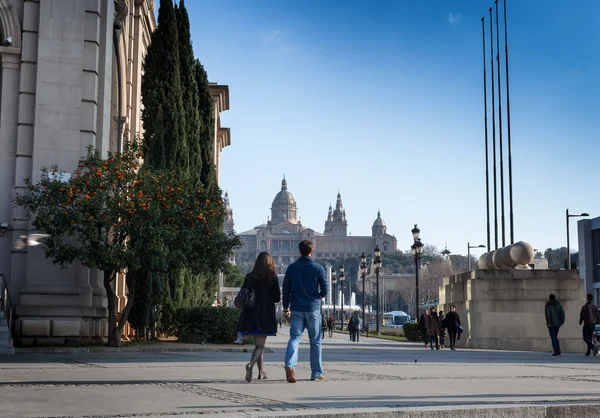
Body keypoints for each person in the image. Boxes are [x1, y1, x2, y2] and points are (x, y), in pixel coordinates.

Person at [282, 240, 328, 383]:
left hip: (296, 307)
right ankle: (316, 372)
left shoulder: (291, 268)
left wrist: (285, 308)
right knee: (315, 341)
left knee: (295, 338)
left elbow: (286, 290)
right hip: (312, 308)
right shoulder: (318, 268)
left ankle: (289, 365)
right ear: (311, 250)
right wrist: (318, 297)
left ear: (299, 251)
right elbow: (325, 289)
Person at [237, 252, 281, 382]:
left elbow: (243, 292)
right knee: (260, 346)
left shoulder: (250, 276)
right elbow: (277, 298)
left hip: (250, 314)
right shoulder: (272, 277)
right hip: (265, 314)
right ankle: (250, 364)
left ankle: (261, 372)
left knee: (259, 344)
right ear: (270, 262)